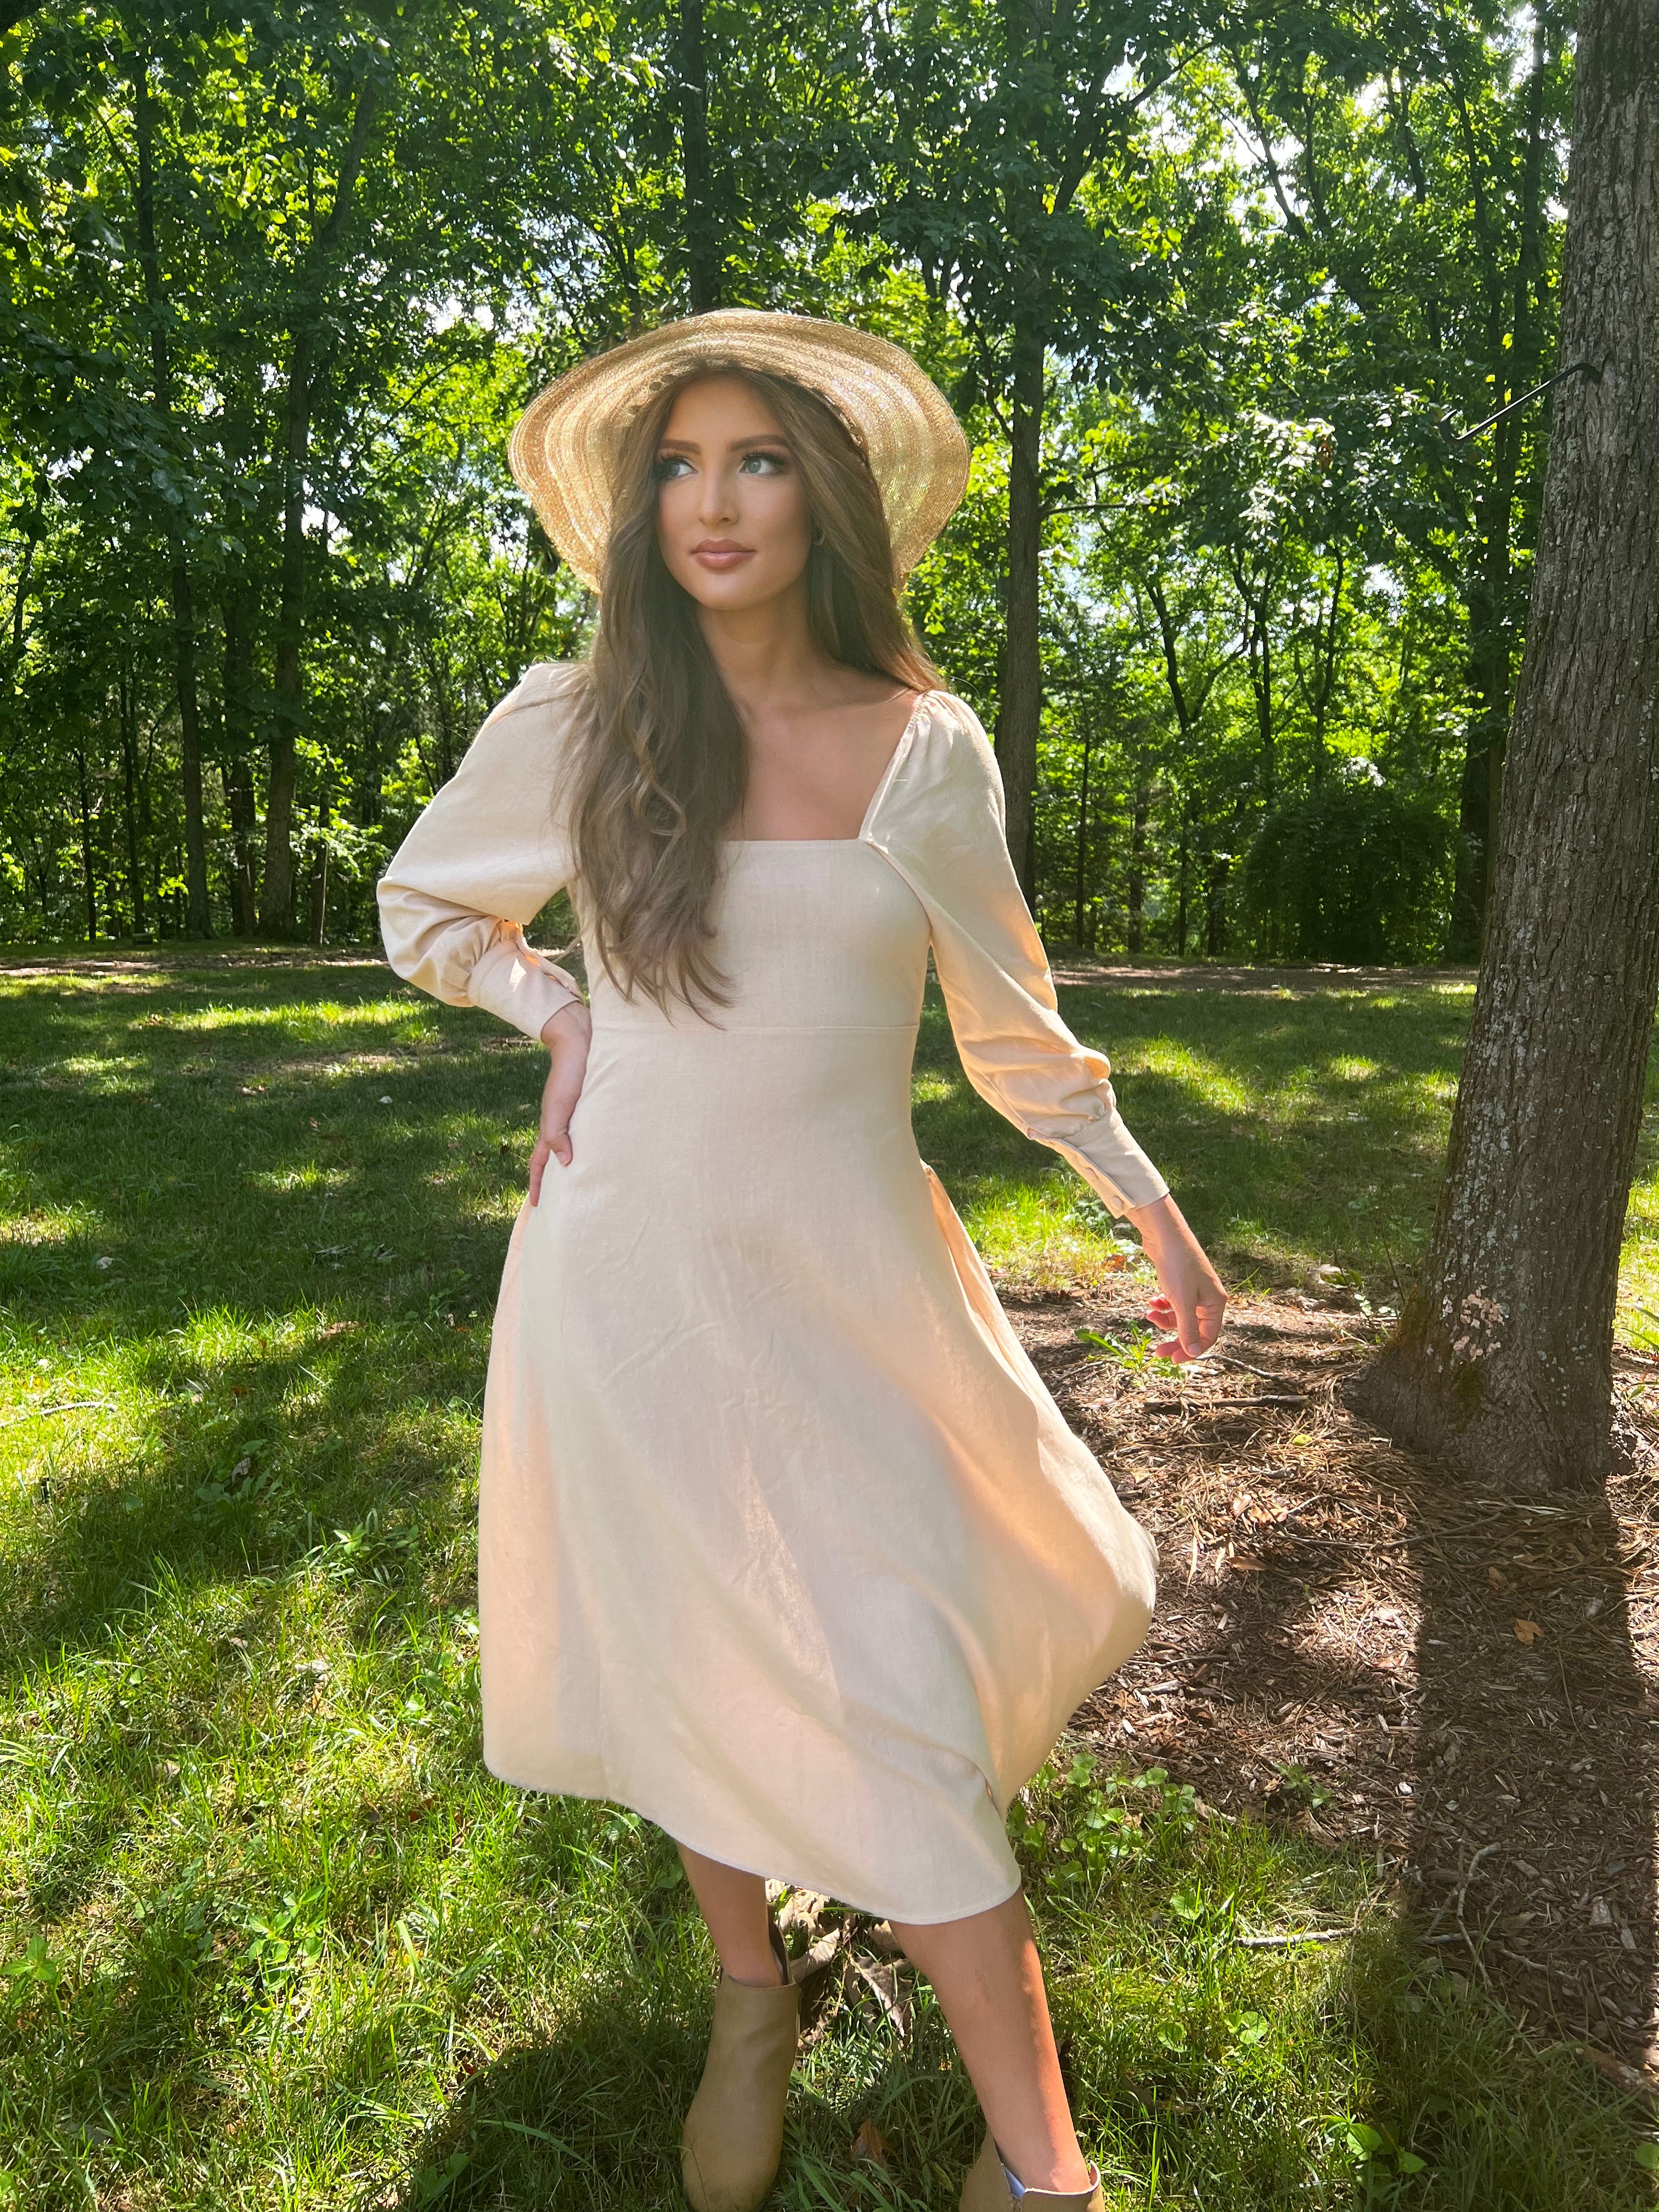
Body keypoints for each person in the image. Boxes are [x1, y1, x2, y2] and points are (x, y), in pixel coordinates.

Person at [377, 308, 1227, 2212]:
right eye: (676, 465)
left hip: (848, 1292)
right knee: (698, 1644)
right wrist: (558, 1014)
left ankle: (1046, 2177)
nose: (711, 501)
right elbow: (425, 905)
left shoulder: (926, 748)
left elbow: (1012, 1029)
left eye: (755, 460)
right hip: (627, 1284)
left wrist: (1149, 1209)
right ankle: (752, 1989)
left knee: (899, 1706)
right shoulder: (580, 717)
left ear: (827, 500)